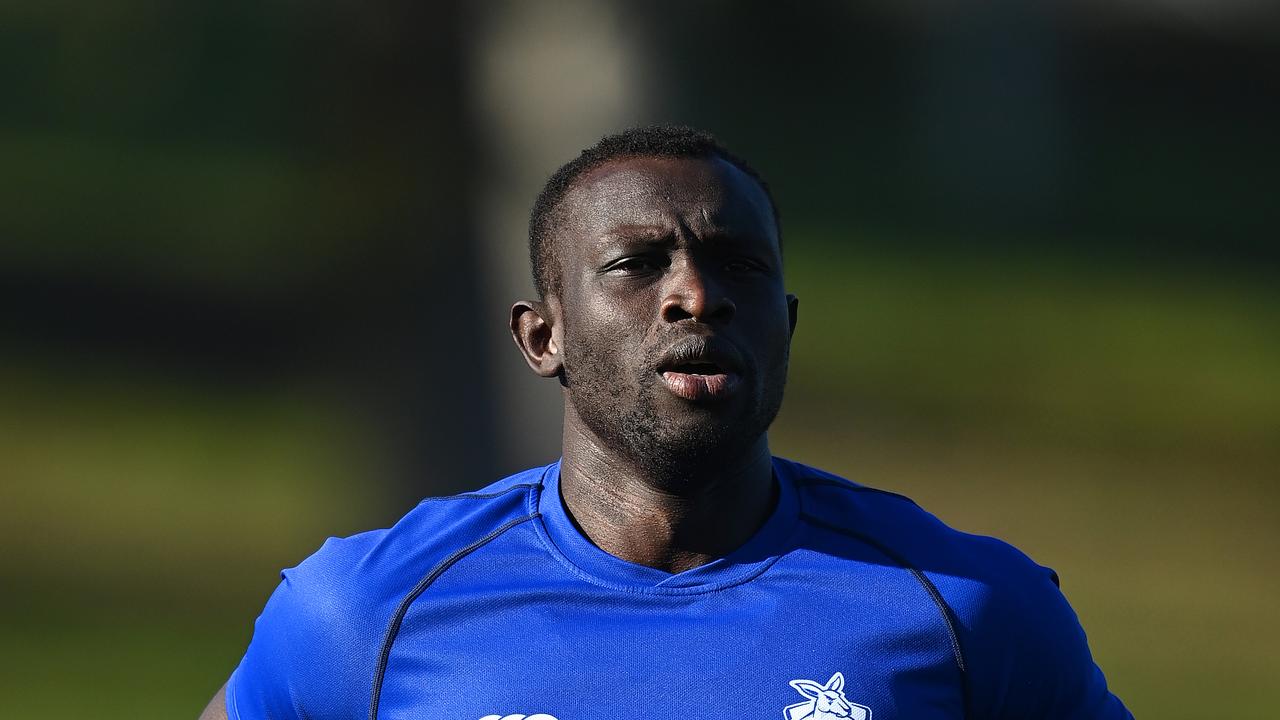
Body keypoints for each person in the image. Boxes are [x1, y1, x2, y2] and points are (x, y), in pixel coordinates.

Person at [200, 126, 1132, 720]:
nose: (695, 294)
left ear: (787, 327)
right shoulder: (366, 614)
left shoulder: (968, 610)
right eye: (636, 264)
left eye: (739, 265)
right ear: (542, 338)